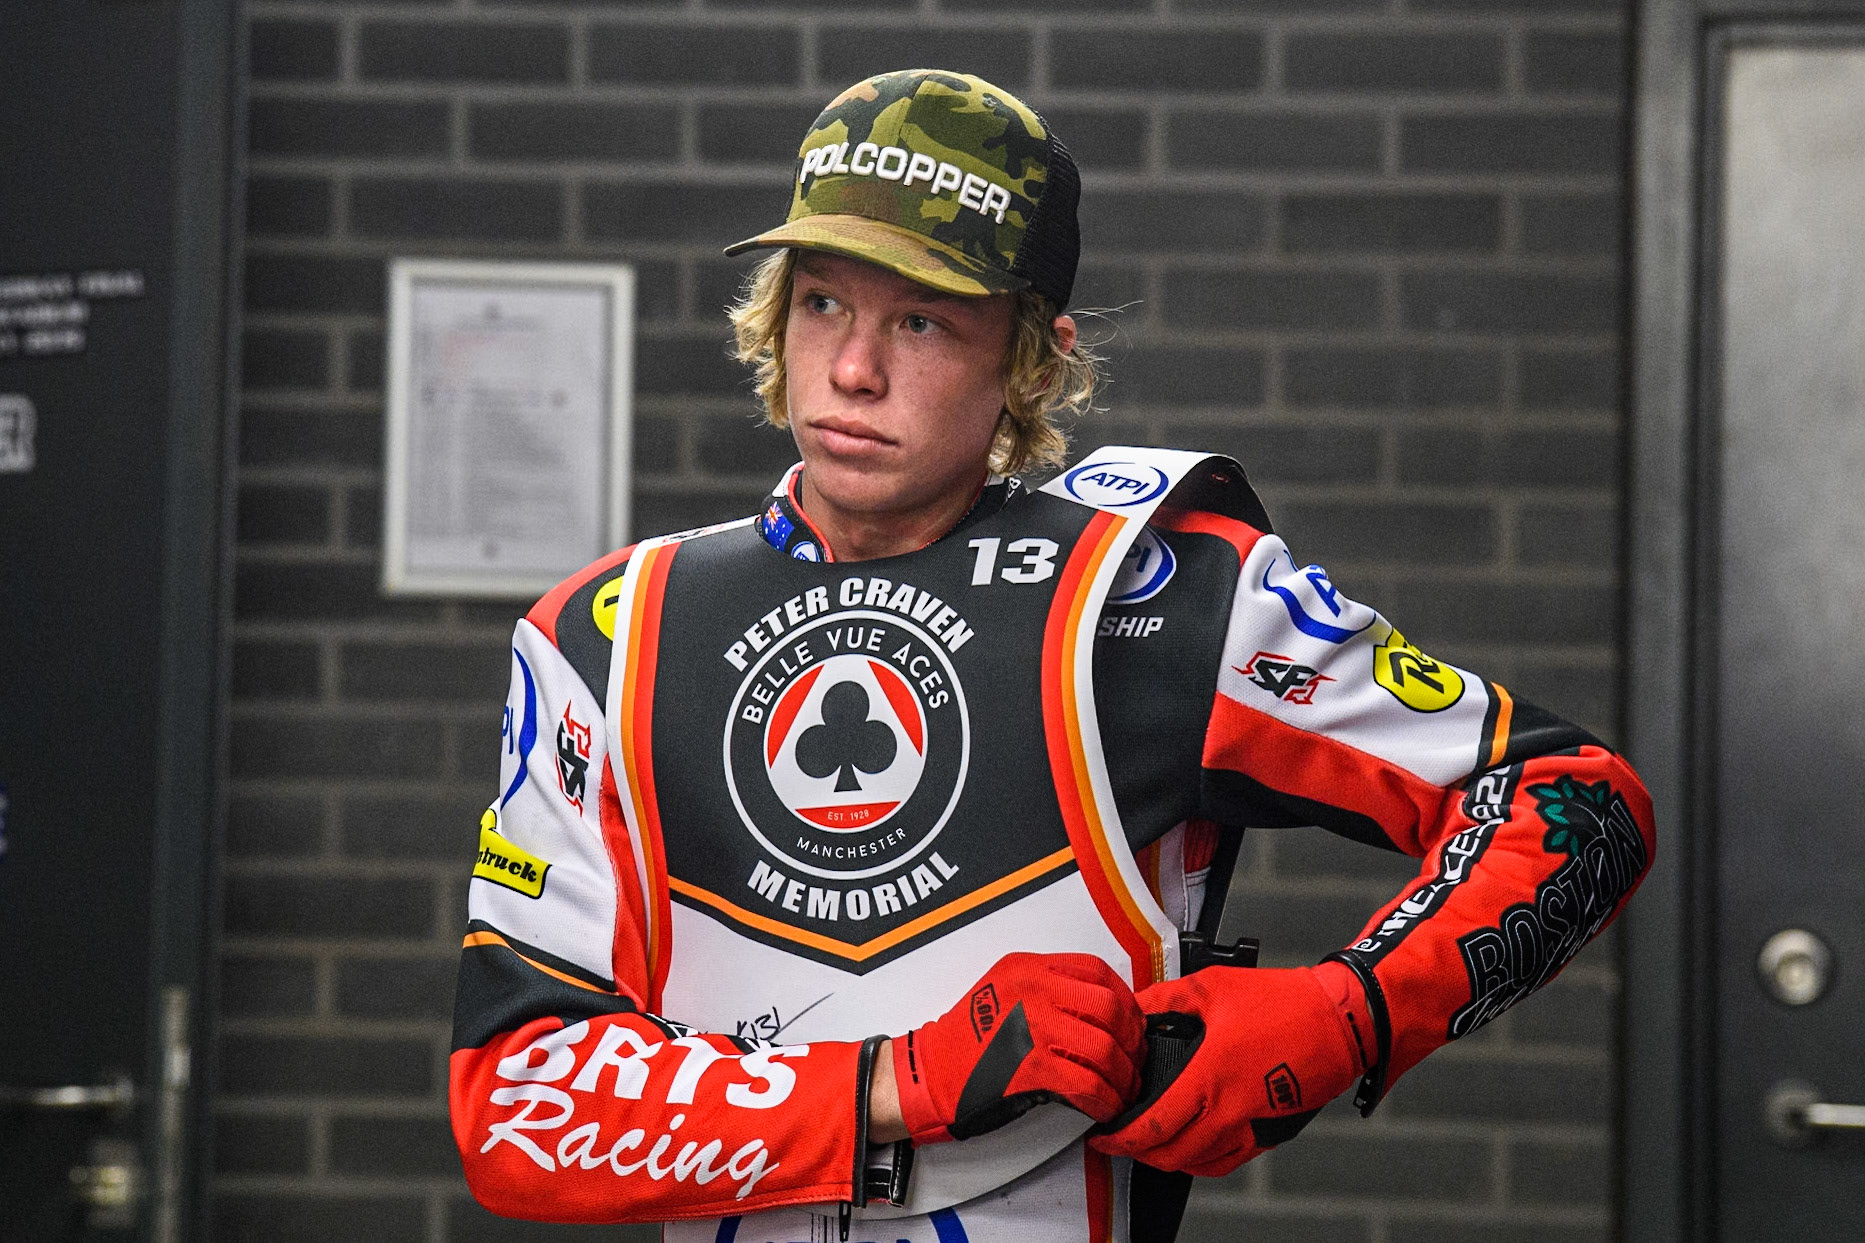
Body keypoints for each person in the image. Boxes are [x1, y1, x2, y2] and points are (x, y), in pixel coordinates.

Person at [449, 69, 1654, 1243]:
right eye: (821, 303)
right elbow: (511, 1103)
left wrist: (1349, 1011)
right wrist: (893, 1080)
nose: (853, 370)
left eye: (920, 321)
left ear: (1031, 357)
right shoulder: (605, 633)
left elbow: (1575, 799)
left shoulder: (1155, 598)